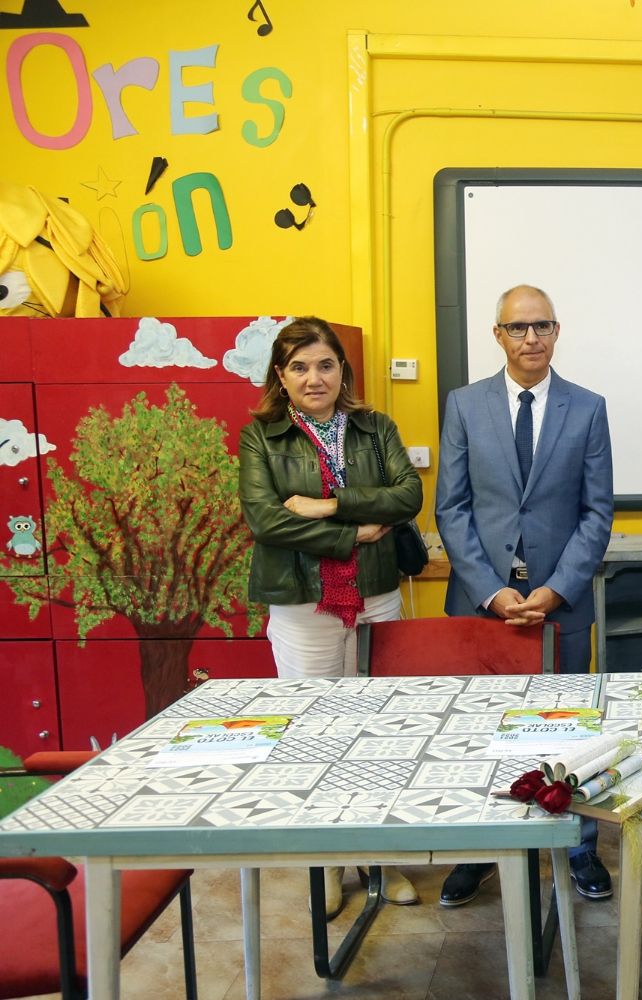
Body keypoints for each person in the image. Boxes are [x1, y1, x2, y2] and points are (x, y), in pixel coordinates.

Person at [239, 316, 424, 915]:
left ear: (342, 369)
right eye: (299, 366)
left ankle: (380, 859)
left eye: (325, 364)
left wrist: (326, 505)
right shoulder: (261, 436)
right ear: (280, 375)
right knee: (314, 733)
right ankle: (325, 864)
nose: (313, 377)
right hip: (302, 603)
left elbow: (407, 496)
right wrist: (353, 535)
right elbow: (266, 521)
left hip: (376, 596)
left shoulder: (375, 428)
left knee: (379, 733)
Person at [435, 284, 614, 904]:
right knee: (482, 731)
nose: (531, 338)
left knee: (569, 732)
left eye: (542, 326)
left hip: (559, 607)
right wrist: (489, 592)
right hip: (481, 607)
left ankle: (579, 850)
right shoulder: (463, 405)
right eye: (518, 328)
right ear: (498, 335)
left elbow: (597, 513)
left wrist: (557, 590)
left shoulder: (587, 408)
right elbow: (451, 509)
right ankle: (479, 852)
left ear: (557, 332)